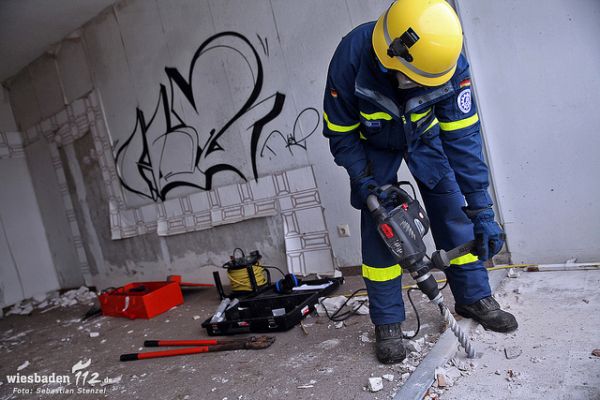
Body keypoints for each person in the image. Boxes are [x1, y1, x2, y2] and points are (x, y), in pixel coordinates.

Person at [322, 0, 518, 364]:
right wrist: (363, 180)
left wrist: (482, 208)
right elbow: (340, 132)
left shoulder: (447, 58)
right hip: (372, 145)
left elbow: (463, 136)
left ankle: (473, 296)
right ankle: (388, 321)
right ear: (390, 55)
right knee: (381, 226)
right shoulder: (351, 56)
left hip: (426, 138)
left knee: (452, 208)